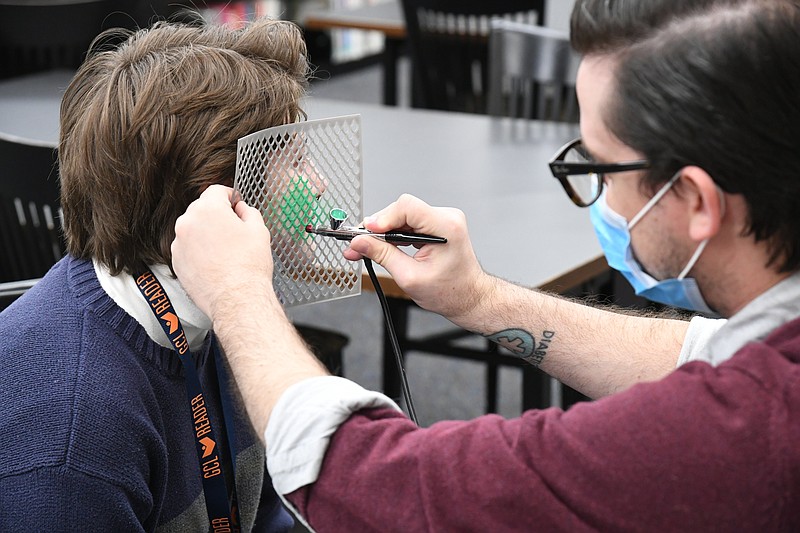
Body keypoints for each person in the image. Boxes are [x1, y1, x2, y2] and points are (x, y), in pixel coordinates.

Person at [172, 0, 800, 530]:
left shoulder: (745, 433)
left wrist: (236, 294)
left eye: (597, 167)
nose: (595, 198)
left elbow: (372, 488)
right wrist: (478, 300)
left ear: (693, 200)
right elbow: (707, 354)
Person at [0, 16, 309, 531]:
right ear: (214, 199)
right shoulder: (75, 433)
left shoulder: (227, 307)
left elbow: (273, 513)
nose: (318, 185)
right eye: (296, 163)